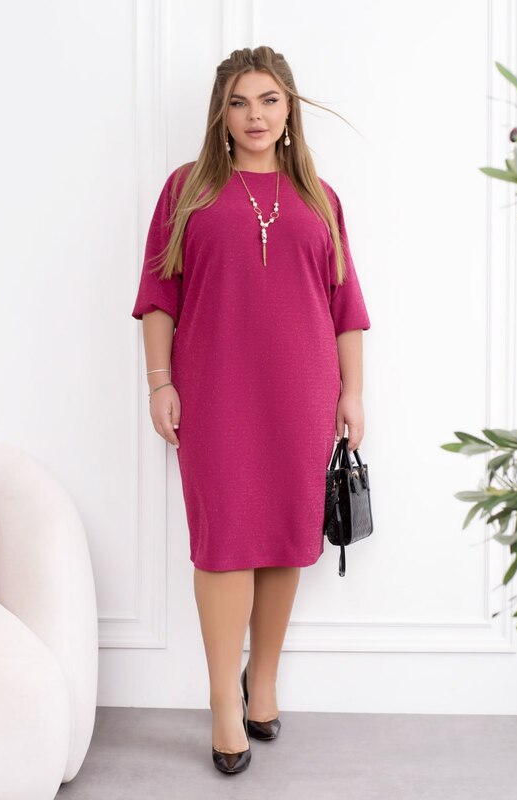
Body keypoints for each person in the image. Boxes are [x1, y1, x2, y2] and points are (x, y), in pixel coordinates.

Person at [131, 45, 371, 774]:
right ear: (221, 114)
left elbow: (345, 306)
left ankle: (261, 684)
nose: (254, 115)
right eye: (239, 102)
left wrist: (353, 392)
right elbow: (159, 294)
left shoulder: (320, 197)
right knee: (225, 540)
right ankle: (221, 702)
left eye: (268, 100)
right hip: (213, 391)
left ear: (288, 108)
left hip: (302, 392)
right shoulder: (187, 189)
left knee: (288, 537)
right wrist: (159, 382)